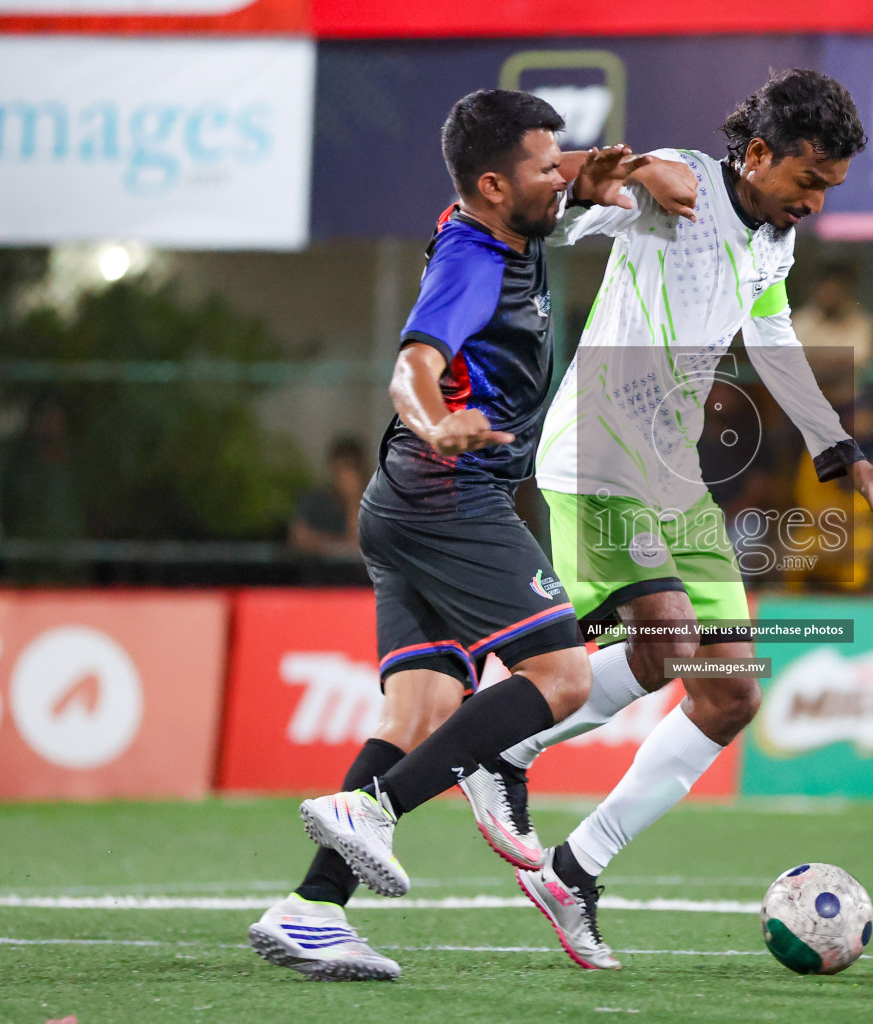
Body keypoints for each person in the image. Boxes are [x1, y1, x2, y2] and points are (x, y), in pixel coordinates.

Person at [460, 69, 873, 970]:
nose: (816, 203)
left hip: (673, 479)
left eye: (830, 188)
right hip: (598, 460)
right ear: (756, 155)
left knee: (730, 689)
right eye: (809, 181)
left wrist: (844, 455)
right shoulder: (680, 185)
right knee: (665, 641)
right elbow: (550, 191)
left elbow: (772, 337)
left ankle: (574, 871)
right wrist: (611, 169)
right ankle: (499, 749)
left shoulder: (771, 239)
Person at [249, 90, 696, 981]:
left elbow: (606, 180)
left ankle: (309, 911)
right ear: (495, 184)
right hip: (447, 492)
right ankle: (372, 809)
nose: (558, 176)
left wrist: (603, 173)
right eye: (544, 167)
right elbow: (413, 364)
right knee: (563, 676)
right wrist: (432, 419)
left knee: (418, 712)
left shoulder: (508, 219)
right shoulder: (471, 256)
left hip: (405, 502)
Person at [289, 437, 369, 556]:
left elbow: (360, 544)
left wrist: (353, 501)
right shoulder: (316, 500)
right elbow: (299, 538)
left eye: (352, 468)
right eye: (341, 469)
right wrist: (334, 546)